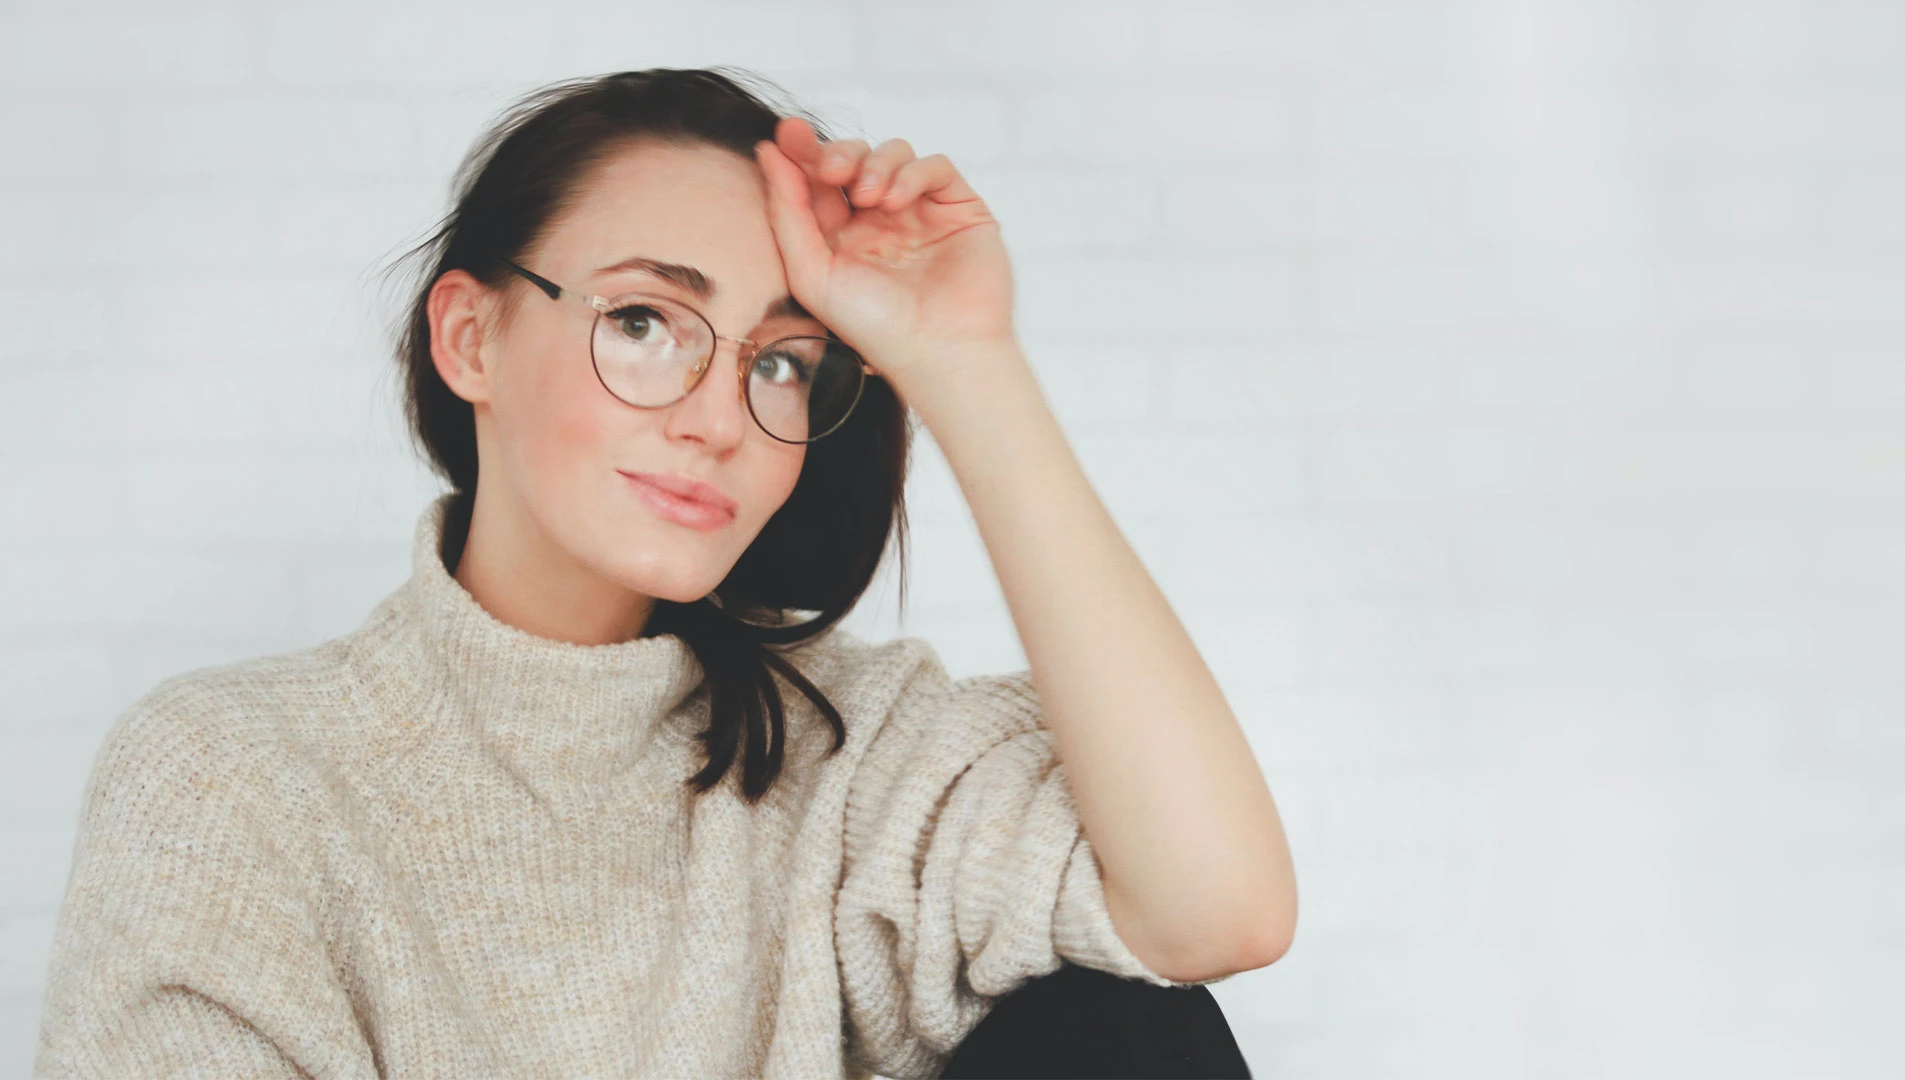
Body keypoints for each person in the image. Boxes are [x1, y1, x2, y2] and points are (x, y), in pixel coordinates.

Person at [33, 68, 1293, 1079]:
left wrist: (965, 356)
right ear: (470, 336)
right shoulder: (235, 774)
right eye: (644, 322)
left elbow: (1216, 914)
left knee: (1123, 1028)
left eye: (784, 362)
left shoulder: (847, 756)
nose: (720, 418)